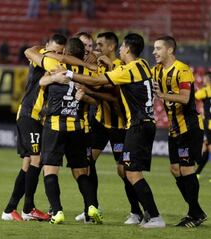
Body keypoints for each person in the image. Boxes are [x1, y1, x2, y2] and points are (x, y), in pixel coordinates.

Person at [70, 33, 166, 228]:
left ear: (127, 49)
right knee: (130, 171)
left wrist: (69, 75)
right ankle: (147, 213)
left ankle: (154, 216)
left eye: (122, 47)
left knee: (130, 172)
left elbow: (98, 81)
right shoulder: (143, 65)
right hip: (143, 124)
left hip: (135, 125)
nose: (121, 50)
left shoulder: (127, 70)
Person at [28, 38, 103, 225]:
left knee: (50, 171)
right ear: (82, 54)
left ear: (65, 53)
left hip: (54, 125)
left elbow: (42, 82)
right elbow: (98, 100)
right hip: (78, 127)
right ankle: (92, 206)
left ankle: (57, 211)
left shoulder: (57, 64)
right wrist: (85, 95)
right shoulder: (89, 72)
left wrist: (53, 78)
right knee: (81, 172)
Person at [1, 34, 67, 222]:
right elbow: (32, 54)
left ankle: (10, 209)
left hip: (37, 118)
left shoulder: (52, 63)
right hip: (29, 115)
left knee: (29, 163)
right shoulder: (41, 60)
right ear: (46, 48)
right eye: (52, 50)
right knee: (37, 160)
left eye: (59, 53)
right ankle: (27, 208)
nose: (55, 55)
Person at [152, 36, 207, 227]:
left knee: (186, 168)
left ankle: (194, 213)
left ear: (169, 50)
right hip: (174, 128)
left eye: (158, 48)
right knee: (175, 169)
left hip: (189, 127)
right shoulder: (157, 70)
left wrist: (161, 95)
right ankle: (196, 210)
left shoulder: (182, 70)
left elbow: (185, 98)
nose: (154, 52)